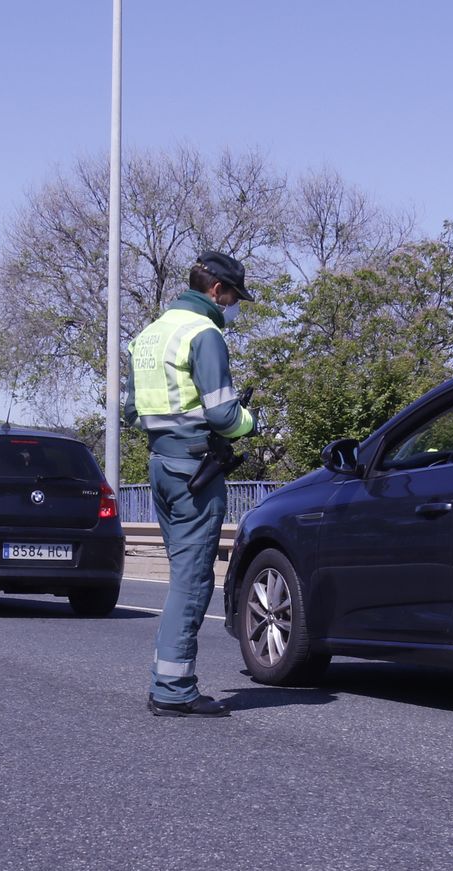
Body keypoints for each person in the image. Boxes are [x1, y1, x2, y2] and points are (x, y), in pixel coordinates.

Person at [125, 250, 258, 718]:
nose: (233, 306)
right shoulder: (205, 334)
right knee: (193, 579)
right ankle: (173, 688)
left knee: (183, 575)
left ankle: (169, 680)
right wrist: (250, 421)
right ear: (217, 291)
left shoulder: (148, 335)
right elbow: (223, 414)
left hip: (161, 465)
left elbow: (131, 411)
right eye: (233, 297)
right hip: (195, 471)